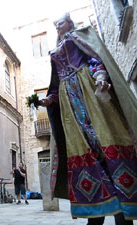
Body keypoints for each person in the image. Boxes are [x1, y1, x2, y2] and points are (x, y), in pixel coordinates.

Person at [40, 13, 137, 225]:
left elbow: (94, 60)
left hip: (88, 89)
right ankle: (96, 211)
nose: (58, 27)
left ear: (71, 23)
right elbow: (55, 84)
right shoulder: (54, 52)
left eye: (61, 23)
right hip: (68, 100)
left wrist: (101, 78)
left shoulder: (81, 37)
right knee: (83, 148)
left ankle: (123, 212)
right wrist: (50, 99)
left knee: (104, 139)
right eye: (56, 25)